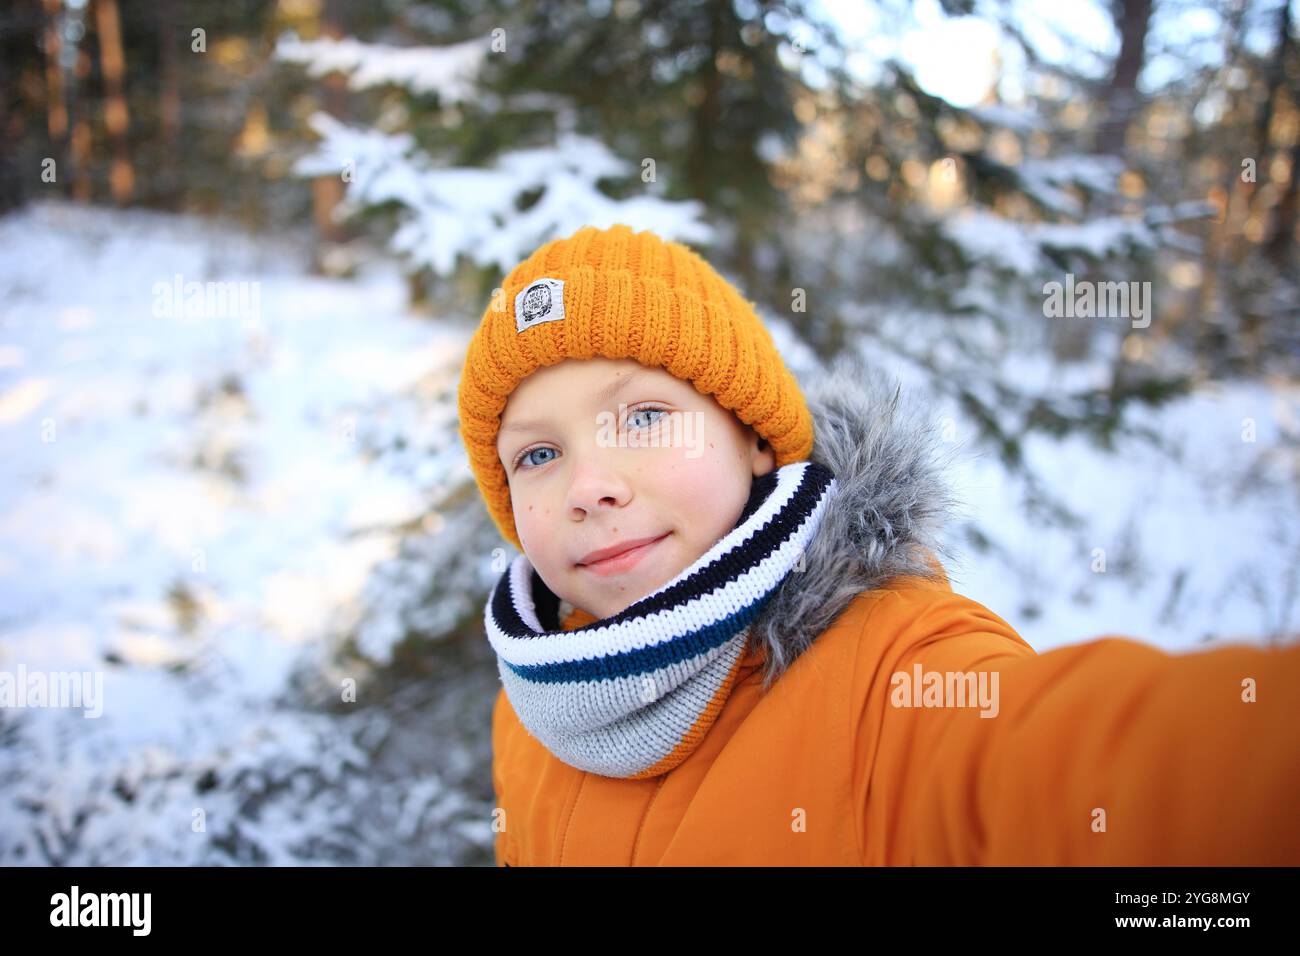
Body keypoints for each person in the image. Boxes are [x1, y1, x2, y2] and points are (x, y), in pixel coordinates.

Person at [456, 223, 1300, 866]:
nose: (585, 485)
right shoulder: (532, 703)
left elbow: (1080, 768)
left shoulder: (896, 679)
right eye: (538, 454)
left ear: (752, 436)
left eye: (642, 416)